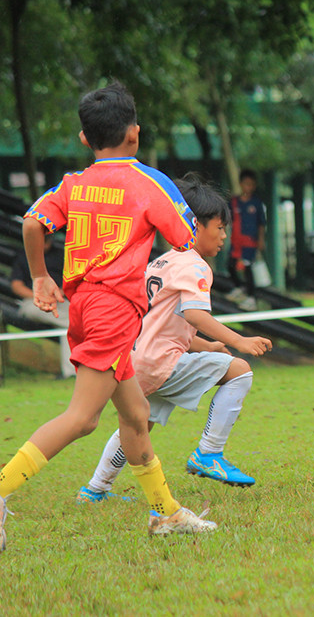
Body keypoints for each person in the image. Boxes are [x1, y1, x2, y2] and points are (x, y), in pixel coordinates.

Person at [0, 81, 216, 554]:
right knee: (82, 419)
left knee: (136, 415)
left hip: (85, 307)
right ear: (135, 133)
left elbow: (34, 221)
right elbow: (185, 236)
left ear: (84, 139)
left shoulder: (74, 184)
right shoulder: (149, 182)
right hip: (115, 309)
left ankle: (167, 513)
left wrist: (40, 277)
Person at [76, 172, 273, 504]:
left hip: (137, 362)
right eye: (220, 227)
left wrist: (206, 346)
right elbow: (196, 315)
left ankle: (95, 489)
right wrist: (239, 341)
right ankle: (209, 453)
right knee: (239, 370)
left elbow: (165, 324)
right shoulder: (194, 265)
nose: (224, 235)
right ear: (194, 226)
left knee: (138, 425)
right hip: (160, 363)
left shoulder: (159, 263)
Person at [10, 234, 74, 378]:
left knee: (72, 320)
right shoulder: (23, 257)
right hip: (32, 302)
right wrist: (39, 295)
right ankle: (72, 371)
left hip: (59, 300)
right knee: (71, 322)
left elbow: (71, 279)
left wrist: (58, 293)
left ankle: (72, 371)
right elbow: (16, 285)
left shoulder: (59, 255)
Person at [227, 169, 266, 311]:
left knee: (248, 268)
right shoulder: (234, 202)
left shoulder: (256, 203)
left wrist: (261, 240)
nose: (248, 187)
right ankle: (238, 288)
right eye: (246, 184)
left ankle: (251, 297)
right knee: (230, 265)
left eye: (251, 184)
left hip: (250, 242)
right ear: (241, 184)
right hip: (236, 241)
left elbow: (262, 224)